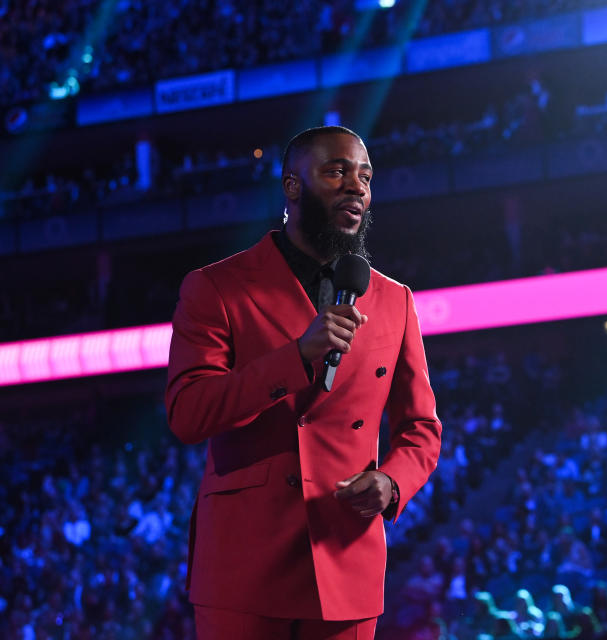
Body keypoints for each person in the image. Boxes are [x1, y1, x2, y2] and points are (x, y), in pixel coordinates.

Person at [165, 125, 442, 639]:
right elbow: (188, 412)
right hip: (244, 566)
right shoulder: (215, 288)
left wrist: (391, 483)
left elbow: (420, 428)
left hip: (344, 556)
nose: (356, 186)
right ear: (293, 186)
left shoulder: (394, 300)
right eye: (336, 172)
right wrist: (296, 358)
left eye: (365, 176)